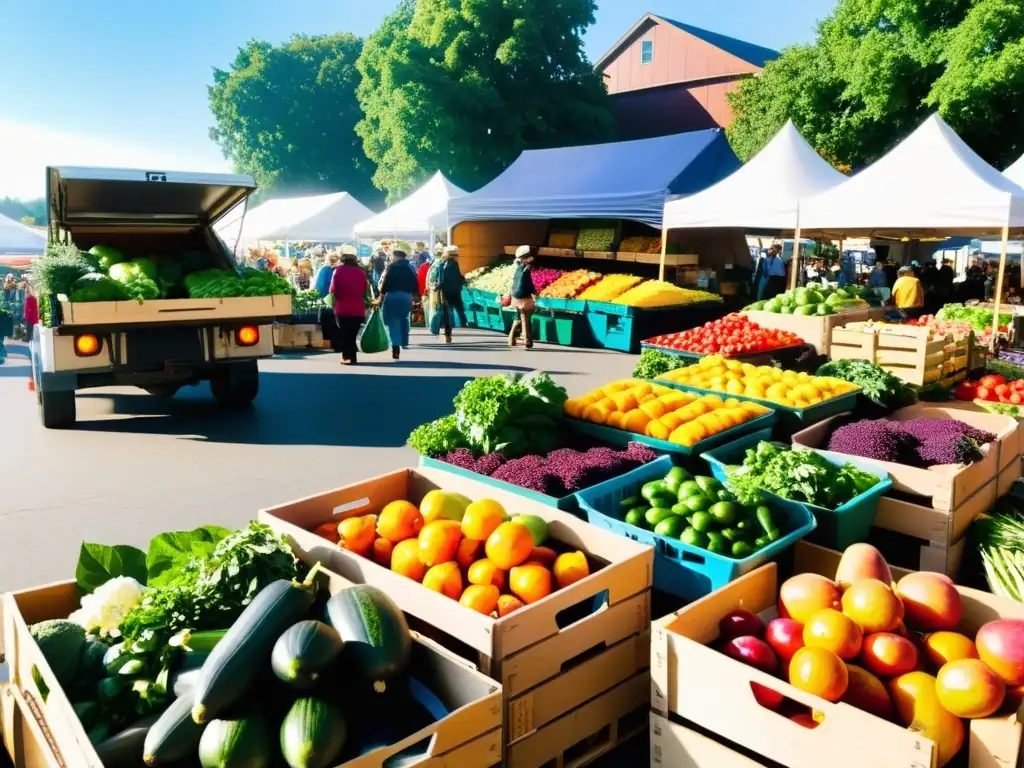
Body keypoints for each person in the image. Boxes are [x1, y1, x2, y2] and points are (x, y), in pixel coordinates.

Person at [328, 246, 369, 365]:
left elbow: (333, 289)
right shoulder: (361, 273)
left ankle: (346, 356)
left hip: (342, 307)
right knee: (353, 333)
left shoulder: (338, 271)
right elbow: (365, 290)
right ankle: (353, 356)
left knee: (344, 332)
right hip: (357, 307)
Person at [377, 248, 419, 360]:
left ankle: (395, 345)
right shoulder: (410, 268)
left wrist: (381, 293)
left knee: (392, 321)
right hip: (406, 296)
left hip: (391, 296)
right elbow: (415, 282)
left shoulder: (391, 267)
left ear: (395, 256)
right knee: (404, 318)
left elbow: (384, 283)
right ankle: (404, 341)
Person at [437, 246, 468, 343]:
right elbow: (452, 278)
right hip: (453, 291)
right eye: (456, 255)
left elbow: (441, 278)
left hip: (446, 291)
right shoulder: (453, 264)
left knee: (447, 313)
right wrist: (463, 281)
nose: (457, 257)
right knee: (456, 309)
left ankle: (448, 334)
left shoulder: (442, 264)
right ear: (452, 255)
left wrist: (439, 286)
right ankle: (463, 323)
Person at [508, 245, 537, 349]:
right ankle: (526, 338)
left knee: (521, 316)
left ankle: (513, 338)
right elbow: (526, 282)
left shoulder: (519, 266)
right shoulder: (523, 267)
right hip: (523, 295)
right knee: (525, 316)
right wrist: (533, 291)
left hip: (517, 295)